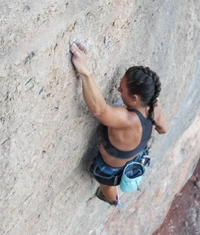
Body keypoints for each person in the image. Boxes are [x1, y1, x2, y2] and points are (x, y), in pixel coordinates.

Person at [70, 42, 168, 205]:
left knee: (107, 185)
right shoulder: (154, 107)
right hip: (135, 156)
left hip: (109, 169)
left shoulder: (127, 119)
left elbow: (99, 110)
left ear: (135, 98)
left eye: (122, 90)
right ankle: (114, 197)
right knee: (115, 177)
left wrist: (85, 72)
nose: (118, 90)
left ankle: (113, 200)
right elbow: (163, 129)